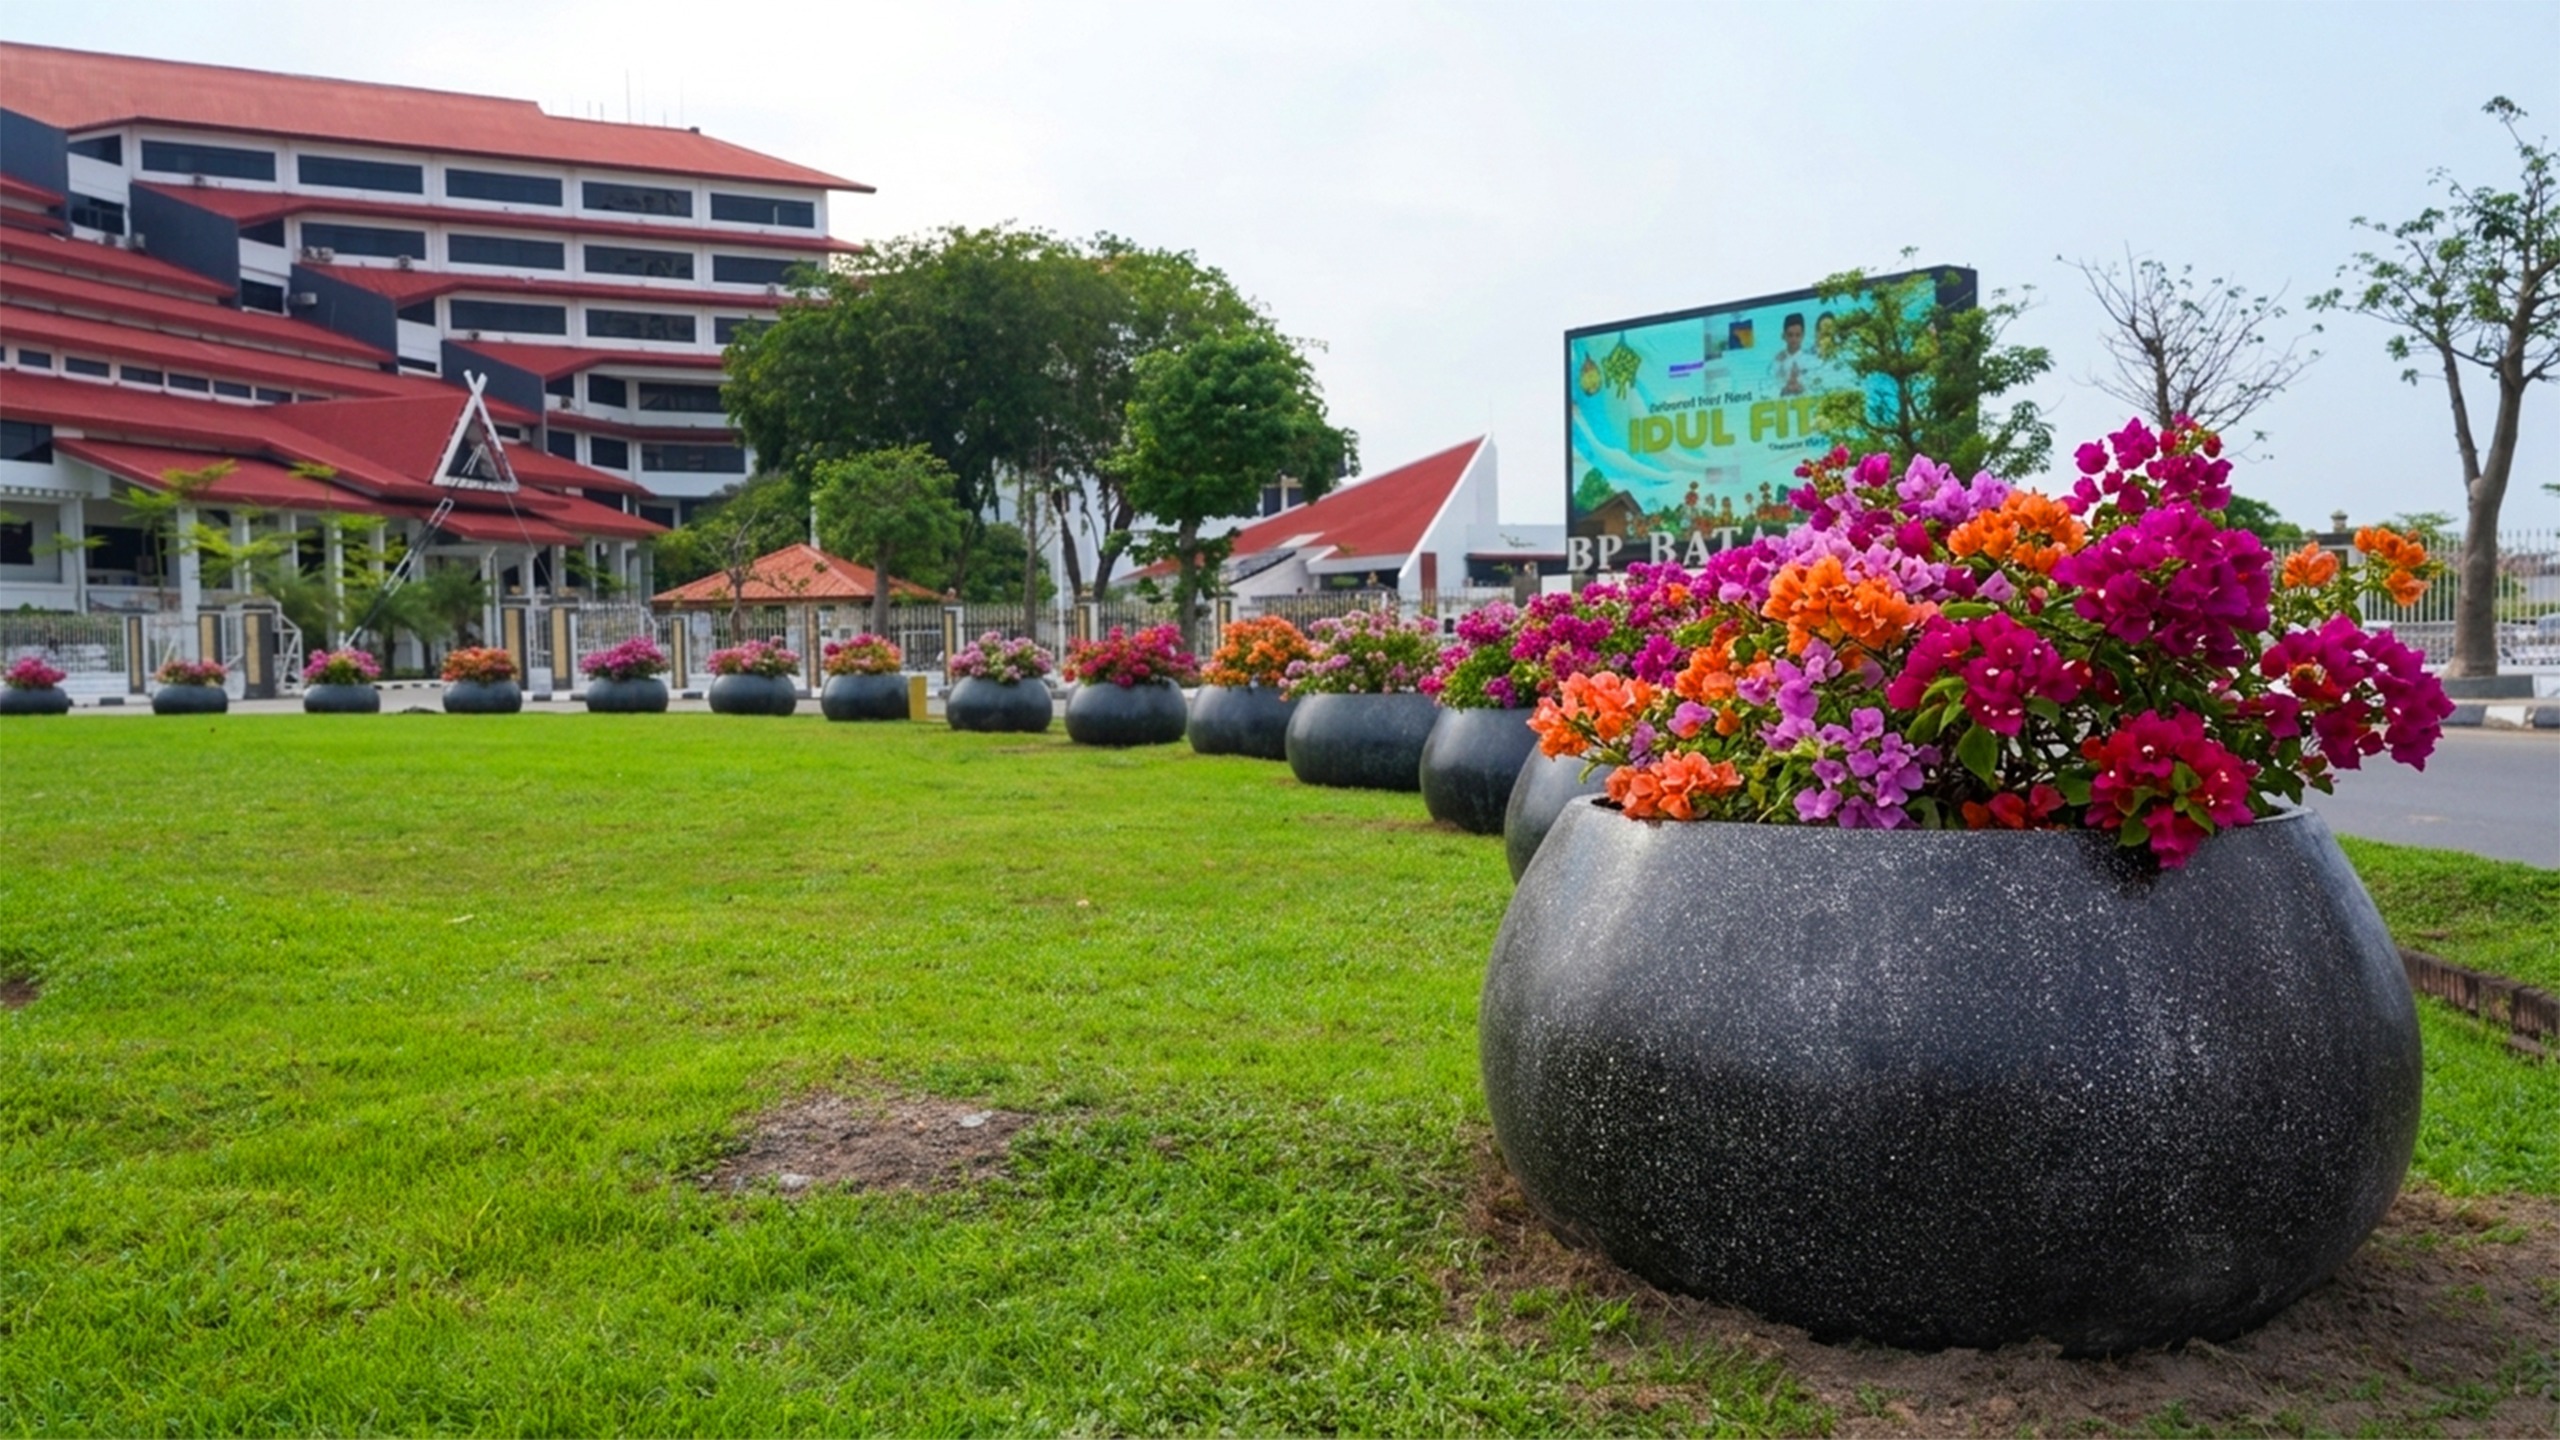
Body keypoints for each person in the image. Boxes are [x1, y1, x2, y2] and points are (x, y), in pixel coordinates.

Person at [1765, 312, 1814, 398]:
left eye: (1797, 335)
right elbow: (1767, 387)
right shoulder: (1777, 361)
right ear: (1784, 336)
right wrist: (1784, 389)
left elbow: (1817, 384)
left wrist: (1802, 387)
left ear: (1803, 335)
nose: (1794, 339)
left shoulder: (1810, 360)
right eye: (1790, 335)